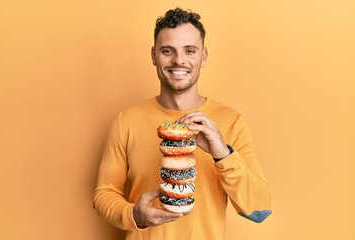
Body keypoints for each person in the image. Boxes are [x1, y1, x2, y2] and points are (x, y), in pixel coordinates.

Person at [93, 7, 272, 240]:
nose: (179, 60)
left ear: (203, 56)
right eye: (168, 51)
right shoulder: (127, 120)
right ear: (153, 55)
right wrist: (134, 215)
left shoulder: (230, 122)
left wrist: (222, 152)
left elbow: (260, 210)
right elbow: (103, 194)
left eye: (190, 50)